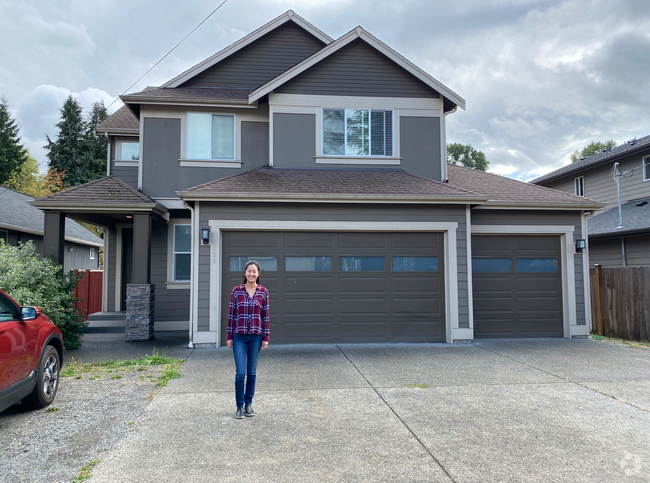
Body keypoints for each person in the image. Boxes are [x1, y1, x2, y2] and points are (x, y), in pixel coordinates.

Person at [227, 260, 269, 419]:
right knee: (240, 373)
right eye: (249, 271)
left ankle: (248, 404)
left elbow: (265, 317)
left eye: (254, 271)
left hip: (257, 336)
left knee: (251, 372)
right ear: (245, 273)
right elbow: (231, 315)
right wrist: (229, 336)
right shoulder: (236, 291)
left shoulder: (263, 292)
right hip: (239, 336)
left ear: (258, 274)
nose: (251, 274)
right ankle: (239, 406)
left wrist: (266, 337)